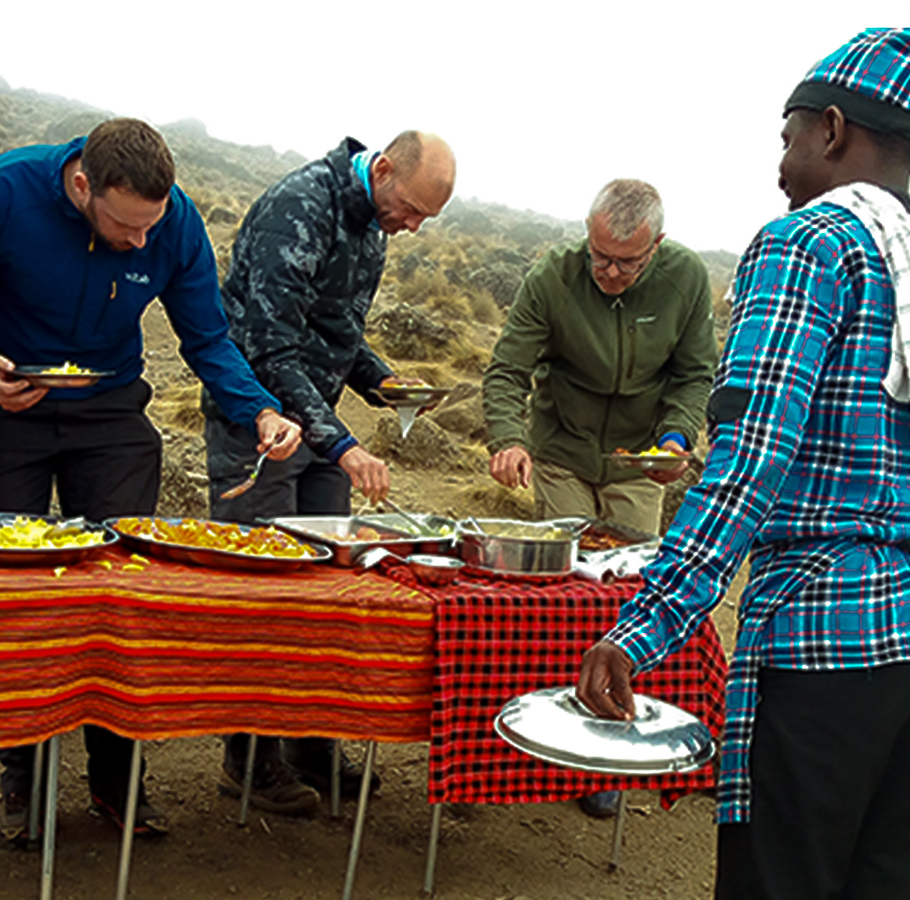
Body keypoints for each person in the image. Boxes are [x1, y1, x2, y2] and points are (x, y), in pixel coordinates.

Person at [578, 28, 910, 900]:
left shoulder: (812, 245)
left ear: (833, 130)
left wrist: (642, 626)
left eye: (788, 136)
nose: (782, 162)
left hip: (822, 648)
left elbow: (750, 463)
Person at [0, 117, 302, 839]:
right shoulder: (1, 193)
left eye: (151, 226)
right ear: (80, 185)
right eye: (126, 226)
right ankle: (23, 777)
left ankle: (117, 780)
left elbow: (207, 336)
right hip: (9, 406)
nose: (141, 243)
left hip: (111, 411)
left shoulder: (175, 222)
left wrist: (257, 410)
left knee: (120, 584)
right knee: (18, 593)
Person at [203, 131, 456, 814]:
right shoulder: (299, 207)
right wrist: (344, 443)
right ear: (382, 170)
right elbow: (270, 346)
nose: (410, 226)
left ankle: (313, 747)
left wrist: (385, 381)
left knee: (328, 592)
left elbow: (338, 328)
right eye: (409, 208)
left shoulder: (369, 220)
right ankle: (248, 762)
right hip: (256, 426)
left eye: (424, 219)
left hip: (318, 428)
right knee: (263, 595)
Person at [482, 179, 717, 818]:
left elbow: (695, 373)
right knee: (566, 588)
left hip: (640, 462)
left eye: (627, 262)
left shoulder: (686, 278)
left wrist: (675, 439)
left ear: (657, 248)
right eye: (599, 256)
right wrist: (508, 438)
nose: (609, 271)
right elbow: (508, 369)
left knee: (629, 597)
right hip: (562, 448)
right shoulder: (553, 277)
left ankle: (607, 748)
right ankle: (547, 727)